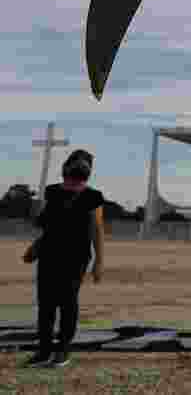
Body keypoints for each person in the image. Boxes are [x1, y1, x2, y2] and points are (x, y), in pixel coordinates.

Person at [21, 149, 105, 368]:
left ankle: (63, 351)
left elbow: (97, 229)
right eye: (76, 162)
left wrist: (99, 261)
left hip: (76, 257)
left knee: (67, 302)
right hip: (49, 253)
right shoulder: (52, 192)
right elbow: (48, 225)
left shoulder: (92, 196)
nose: (78, 167)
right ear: (66, 167)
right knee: (46, 303)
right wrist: (36, 246)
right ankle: (44, 351)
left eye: (84, 164)